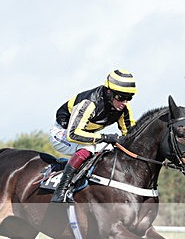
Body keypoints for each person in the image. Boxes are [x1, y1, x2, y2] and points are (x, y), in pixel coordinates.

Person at [49, 69, 138, 202]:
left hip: (86, 134)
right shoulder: (89, 103)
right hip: (63, 133)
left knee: (111, 149)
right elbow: (73, 134)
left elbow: (131, 135)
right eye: (120, 97)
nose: (124, 103)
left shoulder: (123, 108)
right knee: (91, 148)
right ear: (108, 92)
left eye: (128, 98)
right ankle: (61, 190)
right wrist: (104, 137)